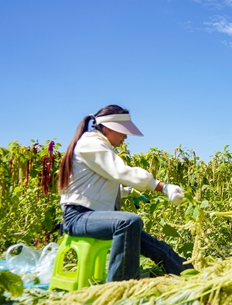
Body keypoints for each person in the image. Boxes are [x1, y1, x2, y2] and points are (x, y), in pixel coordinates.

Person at [58, 104, 193, 282]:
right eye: (122, 131)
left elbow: (98, 186)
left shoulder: (98, 144)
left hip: (90, 216)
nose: (125, 136)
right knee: (129, 222)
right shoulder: (90, 143)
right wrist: (162, 186)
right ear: (107, 128)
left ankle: (190, 274)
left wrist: (128, 192)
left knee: (156, 247)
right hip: (77, 217)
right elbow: (120, 172)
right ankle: (119, 286)